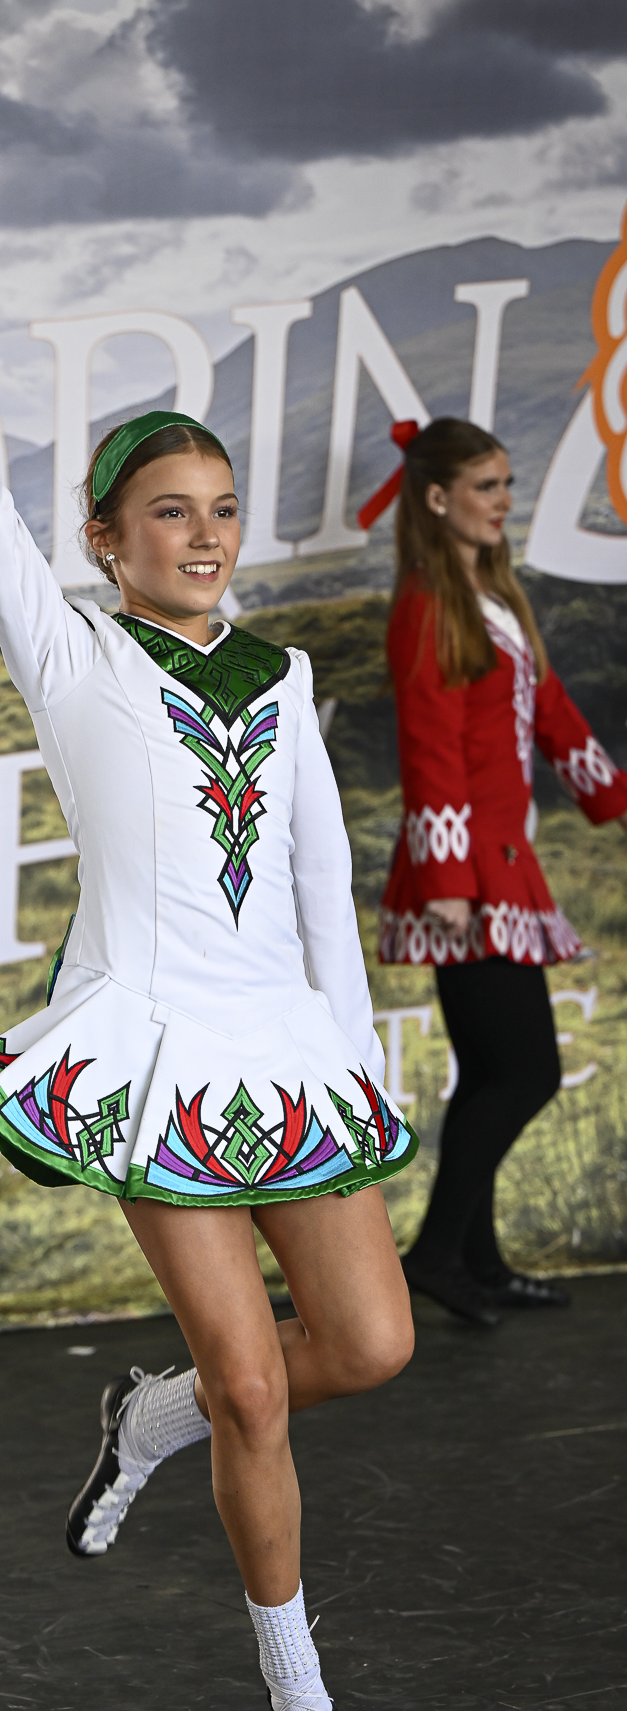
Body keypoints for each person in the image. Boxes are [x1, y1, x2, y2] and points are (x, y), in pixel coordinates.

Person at [0, 177, 416, 1711]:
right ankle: (294, 1677)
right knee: (263, 1379)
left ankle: (148, 1418)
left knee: (369, 1346)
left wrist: (351, 1052)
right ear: (105, 538)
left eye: (220, 507)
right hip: (143, 1045)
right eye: (166, 510)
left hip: (283, 1043)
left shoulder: (281, 672)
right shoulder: (72, 648)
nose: (202, 534)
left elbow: (318, 875)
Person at [366, 417, 627, 1326]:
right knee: (524, 1073)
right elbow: (429, 742)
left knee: (488, 1072)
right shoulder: (424, 605)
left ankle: (473, 1258)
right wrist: (444, 877)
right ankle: (435, 1255)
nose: (503, 504)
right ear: (436, 498)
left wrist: (612, 796)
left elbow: (549, 712)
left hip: (499, 868)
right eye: (487, 486)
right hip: (465, 877)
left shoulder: (495, 599)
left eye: (507, 485)